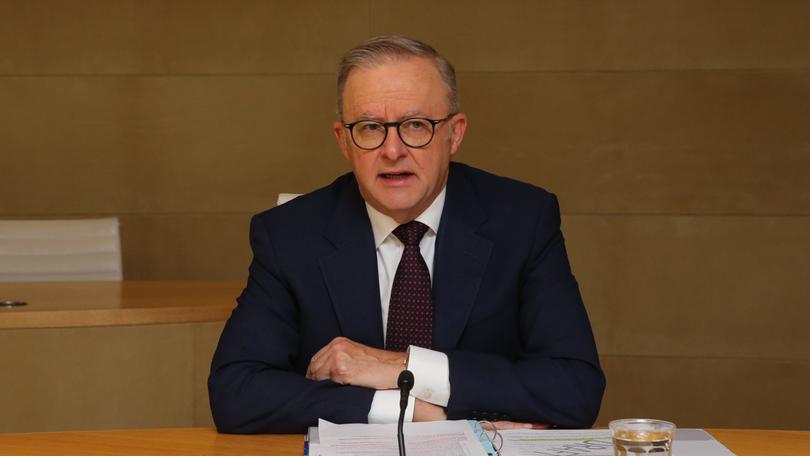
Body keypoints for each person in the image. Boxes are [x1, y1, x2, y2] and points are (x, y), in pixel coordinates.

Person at [208, 35, 605, 434]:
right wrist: (412, 412)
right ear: (343, 141)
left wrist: (399, 367)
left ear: (455, 133)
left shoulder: (522, 220)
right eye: (369, 128)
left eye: (416, 125)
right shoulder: (290, 234)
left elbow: (574, 388)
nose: (393, 150)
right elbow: (235, 392)